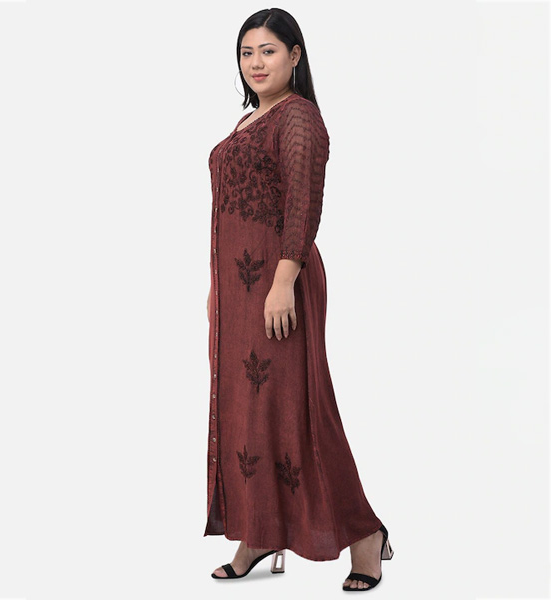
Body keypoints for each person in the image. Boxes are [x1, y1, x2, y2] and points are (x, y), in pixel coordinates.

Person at [204, 8, 394, 592]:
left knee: (298, 411)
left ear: (295, 55)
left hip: (278, 284)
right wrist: (216, 292)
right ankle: (259, 532)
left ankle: (365, 535)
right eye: (246, 52)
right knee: (247, 411)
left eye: (268, 51)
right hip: (237, 291)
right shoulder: (249, 120)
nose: (256, 63)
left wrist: (283, 280)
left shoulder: (298, 118)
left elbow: (302, 205)